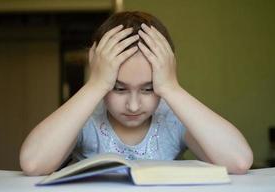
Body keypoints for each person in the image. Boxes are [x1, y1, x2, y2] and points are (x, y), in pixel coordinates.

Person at [19, 11, 253, 176]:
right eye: (118, 88)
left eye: (149, 88)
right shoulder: (86, 117)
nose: (133, 105)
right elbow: (32, 163)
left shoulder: (173, 118)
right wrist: (95, 84)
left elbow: (239, 161)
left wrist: (171, 88)